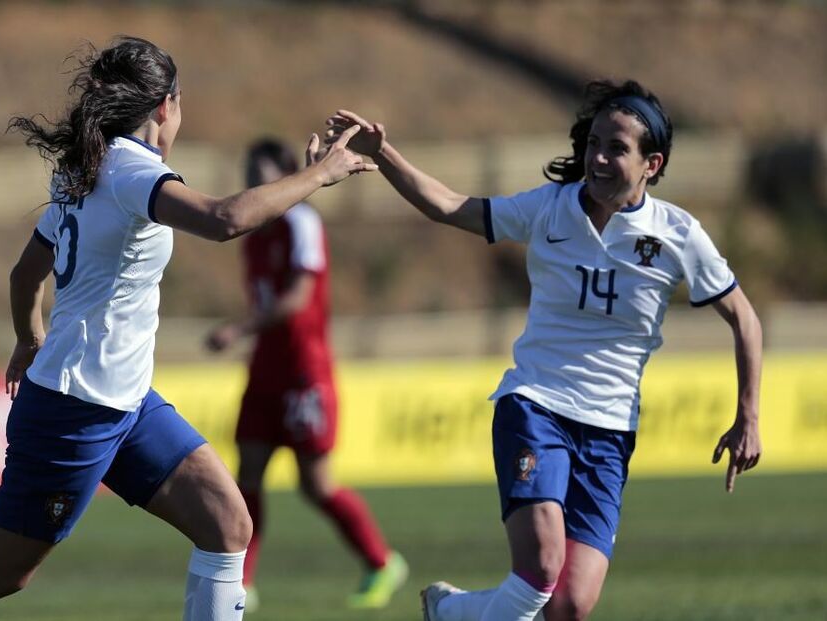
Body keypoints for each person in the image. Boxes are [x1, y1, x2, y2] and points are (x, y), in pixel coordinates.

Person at [0, 36, 375, 621]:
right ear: (165, 107)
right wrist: (321, 175)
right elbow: (224, 220)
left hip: (124, 403)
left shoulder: (87, 168)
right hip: (76, 411)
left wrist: (29, 337)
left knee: (227, 522)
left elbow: (26, 275)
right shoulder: (128, 170)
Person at [324, 79, 763, 621]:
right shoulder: (550, 208)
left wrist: (748, 416)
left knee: (571, 604)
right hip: (536, 406)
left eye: (616, 148)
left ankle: (453, 613)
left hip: (610, 432)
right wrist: (382, 153)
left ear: (652, 164)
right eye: (593, 142)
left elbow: (744, 316)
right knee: (541, 568)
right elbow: (449, 206)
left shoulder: (678, 234)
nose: (598, 157)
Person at [205, 137, 408, 611]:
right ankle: (242, 582)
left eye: (265, 176)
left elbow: (297, 298)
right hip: (266, 372)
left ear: (286, 177)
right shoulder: (253, 233)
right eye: (250, 176)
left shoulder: (301, 222)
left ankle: (382, 562)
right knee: (247, 476)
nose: (256, 185)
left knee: (316, 486)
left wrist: (240, 329)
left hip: (303, 373)